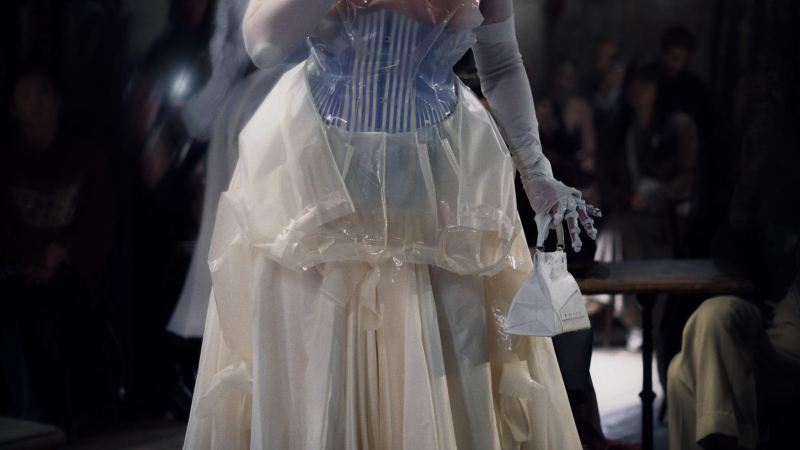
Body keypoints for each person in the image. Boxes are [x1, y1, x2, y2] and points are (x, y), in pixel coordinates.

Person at [184, 0, 600, 448]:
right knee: (322, 360)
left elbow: (500, 62)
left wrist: (535, 172)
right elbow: (264, 43)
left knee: (443, 360)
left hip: (439, 177)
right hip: (321, 178)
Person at [667, 71, 800, 450]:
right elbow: (729, 255)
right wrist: (750, 180)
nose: (764, 125)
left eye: (773, 113)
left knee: (680, 374)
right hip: (765, 316)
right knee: (714, 314)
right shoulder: (760, 178)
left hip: (793, 333)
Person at [0, 67, 115, 433]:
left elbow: (99, 222)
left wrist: (61, 254)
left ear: (58, 100)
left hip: (72, 271)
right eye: (25, 94)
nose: (36, 101)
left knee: (64, 317)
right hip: (20, 270)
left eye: (43, 91)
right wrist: (37, 253)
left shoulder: (86, 157)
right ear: (13, 108)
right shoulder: (6, 162)